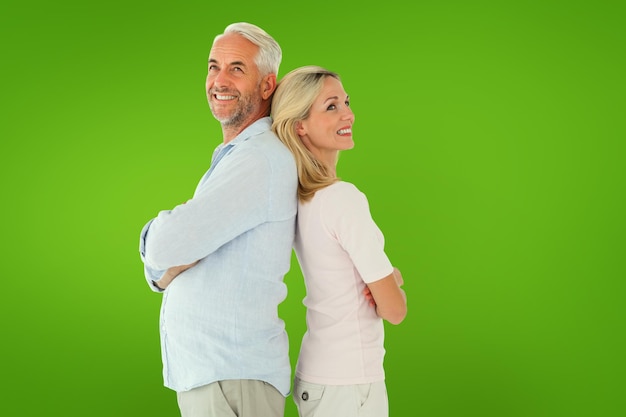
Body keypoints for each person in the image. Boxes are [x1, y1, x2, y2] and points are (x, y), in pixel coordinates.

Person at [138, 22, 298, 417]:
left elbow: (165, 244)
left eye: (236, 68)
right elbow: (177, 249)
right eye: (213, 66)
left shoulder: (258, 159)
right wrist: (168, 261)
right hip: (220, 377)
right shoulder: (239, 157)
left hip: (232, 378)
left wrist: (154, 246)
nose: (219, 80)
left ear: (267, 86)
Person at [271, 66, 408, 417]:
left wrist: (383, 287)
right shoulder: (343, 199)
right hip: (348, 382)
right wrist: (393, 283)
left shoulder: (300, 199)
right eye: (331, 106)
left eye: (346, 102)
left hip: (318, 376)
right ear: (299, 125)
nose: (348, 113)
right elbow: (395, 310)